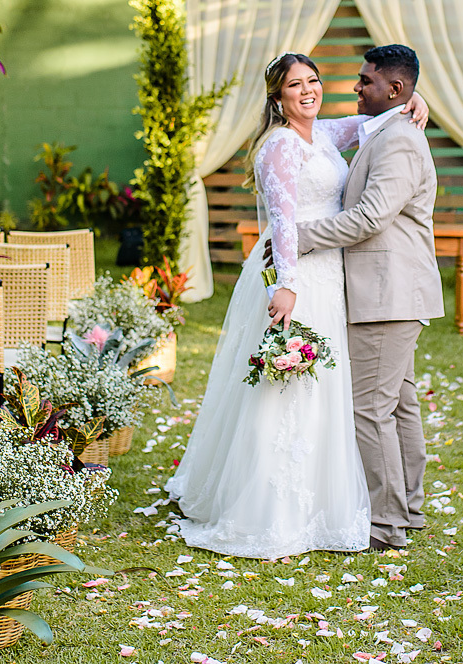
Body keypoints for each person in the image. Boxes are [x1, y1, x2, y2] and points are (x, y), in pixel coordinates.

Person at [163, 51, 428, 558]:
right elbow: (283, 222)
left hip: (333, 276)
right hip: (300, 273)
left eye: (313, 81)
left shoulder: (322, 135)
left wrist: (415, 100)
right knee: (289, 389)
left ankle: (337, 498)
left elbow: (371, 118)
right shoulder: (280, 146)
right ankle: (277, 503)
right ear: (277, 99)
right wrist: (284, 285)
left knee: (332, 390)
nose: (308, 91)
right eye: (294, 86)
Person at [284, 44, 445, 551]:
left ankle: (387, 523)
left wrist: (302, 236)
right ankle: (408, 510)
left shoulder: (397, 139)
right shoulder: (389, 128)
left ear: (394, 89)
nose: (355, 88)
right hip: (392, 292)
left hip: (388, 294)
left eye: (365, 81)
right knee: (398, 405)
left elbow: (372, 216)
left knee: (370, 410)